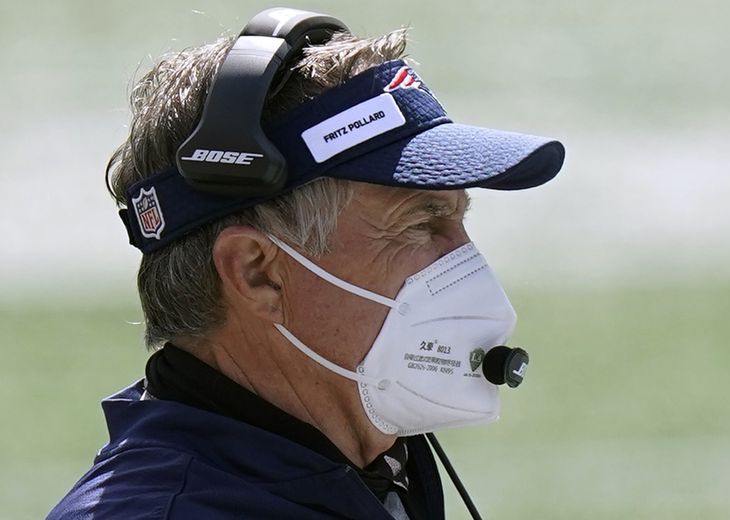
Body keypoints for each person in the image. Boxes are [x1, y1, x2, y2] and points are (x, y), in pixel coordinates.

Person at [48, 7, 564, 520]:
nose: (466, 264)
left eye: (459, 219)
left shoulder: (369, 465)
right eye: (420, 223)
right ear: (257, 272)